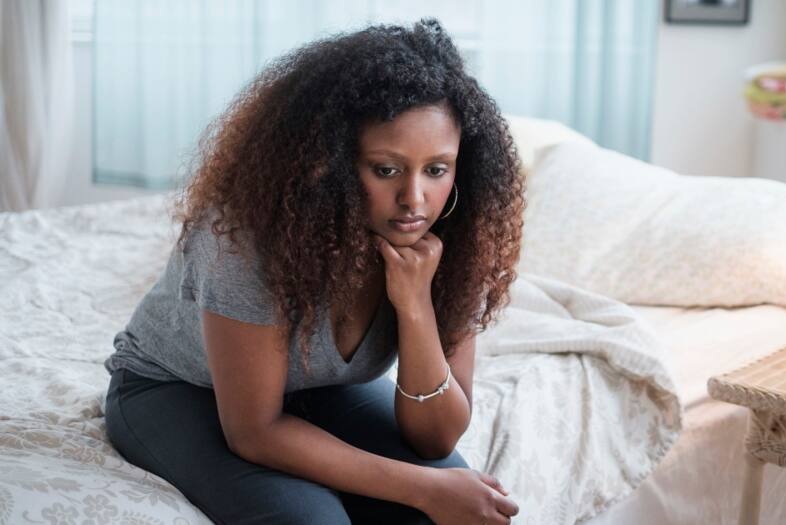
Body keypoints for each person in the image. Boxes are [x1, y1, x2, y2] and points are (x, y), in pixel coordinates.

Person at [102, 18, 523, 525]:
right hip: (177, 388)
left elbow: (435, 437)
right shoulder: (251, 239)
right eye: (386, 169)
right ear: (332, 162)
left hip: (319, 393)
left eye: (436, 169)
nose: (415, 199)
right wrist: (425, 489)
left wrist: (415, 306)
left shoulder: (456, 239)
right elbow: (254, 432)